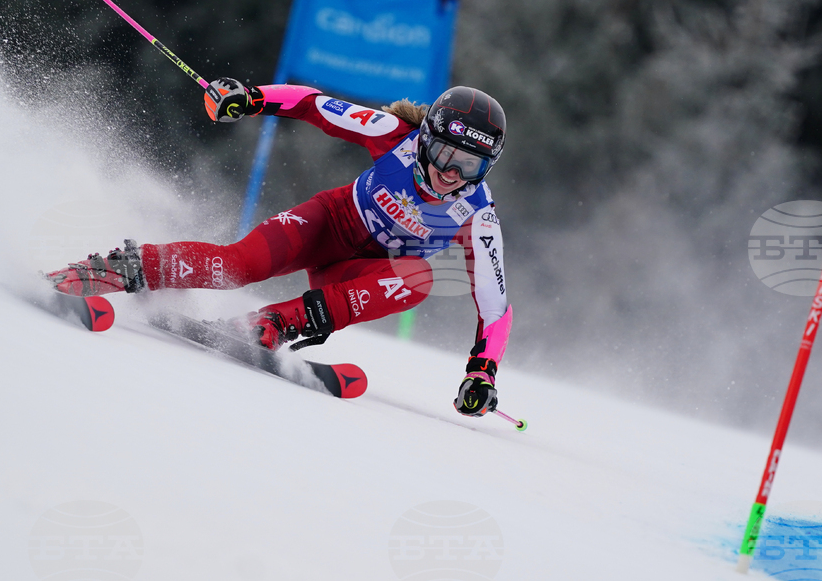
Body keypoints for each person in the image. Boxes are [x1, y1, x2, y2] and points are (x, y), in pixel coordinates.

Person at [47, 80, 512, 417]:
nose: (452, 173)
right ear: (427, 138)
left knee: (420, 279)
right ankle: (120, 268)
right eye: (447, 155)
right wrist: (250, 99)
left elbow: (496, 308)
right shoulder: (394, 135)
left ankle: (273, 322)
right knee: (238, 264)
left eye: (469, 165)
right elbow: (313, 103)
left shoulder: (477, 214)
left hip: (355, 277)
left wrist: (482, 373)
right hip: (327, 223)